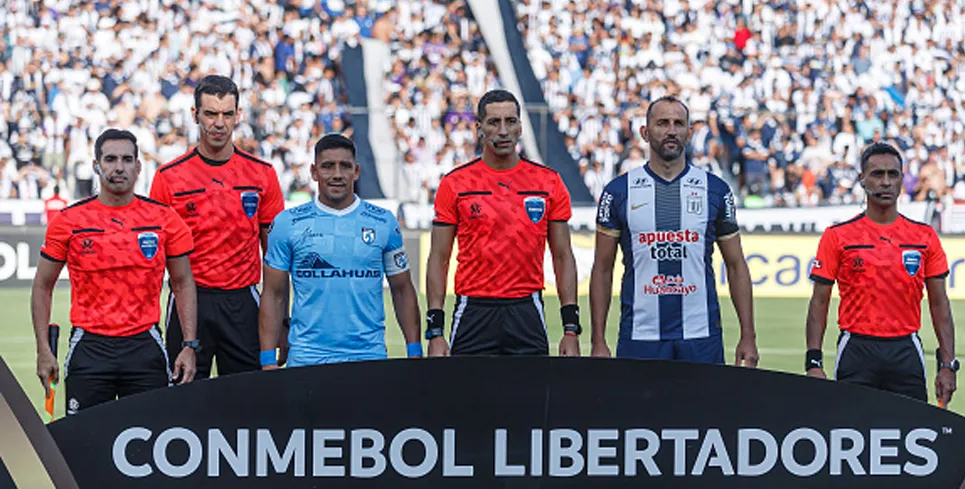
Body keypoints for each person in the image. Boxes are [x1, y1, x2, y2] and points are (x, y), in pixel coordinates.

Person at [31, 129, 198, 414]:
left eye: (126, 159)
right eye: (110, 159)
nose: (118, 167)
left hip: (144, 345)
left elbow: (183, 284)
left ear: (138, 166)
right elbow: (42, 286)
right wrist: (44, 350)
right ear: (96, 165)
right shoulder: (68, 221)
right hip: (90, 348)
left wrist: (189, 345)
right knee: (83, 446)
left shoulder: (164, 219)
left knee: (153, 445)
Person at [590, 97, 759, 365]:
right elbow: (602, 269)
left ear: (689, 133)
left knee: (704, 409)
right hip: (640, 336)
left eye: (679, 124)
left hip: (701, 337)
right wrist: (597, 341)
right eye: (662, 123)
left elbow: (736, 265)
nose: (671, 130)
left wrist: (748, 336)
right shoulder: (618, 192)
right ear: (645, 133)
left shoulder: (715, 190)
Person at [149, 75, 286, 378]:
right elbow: (154, 262)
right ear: (195, 114)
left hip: (243, 303)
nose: (219, 123)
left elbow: (276, 257)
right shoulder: (168, 177)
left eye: (227, 114)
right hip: (188, 303)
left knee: (244, 407)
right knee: (183, 406)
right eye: (210, 114)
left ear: (238, 116)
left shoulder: (262, 174)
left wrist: (282, 321)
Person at [425, 90, 580, 356]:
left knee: (531, 397)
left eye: (510, 121)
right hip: (473, 310)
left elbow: (563, 256)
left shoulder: (548, 183)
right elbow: (439, 258)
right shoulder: (455, 184)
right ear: (479, 128)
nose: (503, 130)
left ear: (521, 127)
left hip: (526, 309)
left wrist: (570, 329)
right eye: (494, 122)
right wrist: (435, 332)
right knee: (467, 398)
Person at [805, 142, 958, 406]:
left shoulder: (924, 237)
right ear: (861, 179)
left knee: (912, 437)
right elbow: (819, 301)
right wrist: (813, 362)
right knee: (851, 437)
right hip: (856, 349)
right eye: (877, 174)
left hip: (906, 350)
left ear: (901, 179)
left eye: (893, 174)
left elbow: (939, 303)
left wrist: (948, 364)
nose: (886, 182)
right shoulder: (837, 236)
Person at [258, 134, 421, 366]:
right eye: (327, 167)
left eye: (344, 166)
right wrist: (267, 360)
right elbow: (273, 294)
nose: (336, 174)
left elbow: (402, 289)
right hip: (306, 359)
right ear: (314, 172)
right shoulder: (287, 224)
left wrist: (414, 352)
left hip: (368, 357)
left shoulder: (384, 222)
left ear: (356, 171)